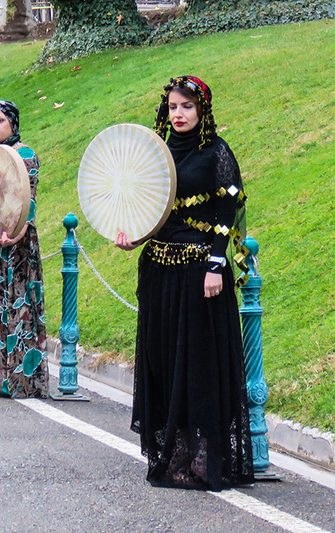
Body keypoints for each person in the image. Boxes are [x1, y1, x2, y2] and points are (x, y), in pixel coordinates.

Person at [114, 75, 253, 491]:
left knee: (198, 364)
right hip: (158, 271)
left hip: (199, 274)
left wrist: (215, 265)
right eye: (173, 107)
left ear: (202, 109)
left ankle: (205, 458)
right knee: (163, 360)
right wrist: (131, 237)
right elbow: (147, 209)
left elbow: (227, 211)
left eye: (187, 107)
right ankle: (175, 452)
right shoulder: (153, 153)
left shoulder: (216, 153)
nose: (179, 114)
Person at [0, 100, 49, 399]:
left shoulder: (26, 155)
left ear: (13, 123)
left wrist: (18, 233)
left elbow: (30, 200)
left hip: (18, 244)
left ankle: (20, 380)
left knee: (19, 307)